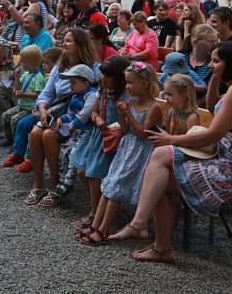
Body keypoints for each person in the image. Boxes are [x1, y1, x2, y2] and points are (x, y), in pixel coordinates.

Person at [114, 42, 232, 263]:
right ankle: (144, 229)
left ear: (231, 63)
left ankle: (152, 238)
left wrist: (171, 138)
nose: (212, 65)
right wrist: (215, 77)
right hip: (224, 156)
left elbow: (214, 133)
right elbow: (214, 108)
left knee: (160, 177)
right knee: (160, 162)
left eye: (216, 61)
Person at [81, 61, 163, 245]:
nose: (128, 87)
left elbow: (143, 133)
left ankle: (103, 230)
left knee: (117, 188)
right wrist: (122, 114)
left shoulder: (154, 107)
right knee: (109, 184)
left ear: (145, 83)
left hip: (140, 151)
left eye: (131, 83)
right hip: (127, 147)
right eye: (126, 82)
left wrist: (129, 114)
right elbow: (125, 130)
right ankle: (95, 225)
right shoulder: (132, 102)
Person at [25, 29, 99, 207]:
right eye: (64, 40)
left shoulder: (93, 68)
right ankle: (38, 183)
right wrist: (42, 109)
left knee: (48, 135)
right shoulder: (60, 66)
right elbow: (47, 93)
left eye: (68, 41)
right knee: (35, 132)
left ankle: (56, 184)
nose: (63, 44)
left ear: (80, 45)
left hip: (78, 116)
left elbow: (93, 96)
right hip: (58, 112)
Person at [69, 57, 128, 235]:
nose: (103, 78)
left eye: (108, 76)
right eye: (102, 74)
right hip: (98, 135)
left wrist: (110, 124)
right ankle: (100, 208)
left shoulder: (125, 95)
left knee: (93, 175)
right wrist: (97, 118)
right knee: (82, 172)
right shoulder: (102, 91)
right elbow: (94, 111)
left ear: (118, 78)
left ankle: (96, 214)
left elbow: (125, 124)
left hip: (114, 139)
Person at [0, 45, 47, 156]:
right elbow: (18, 86)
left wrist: (23, 94)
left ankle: (18, 145)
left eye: (24, 62)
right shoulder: (25, 74)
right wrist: (16, 78)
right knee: (5, 116)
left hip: (30, 108)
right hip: (22, 105)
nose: (22, 64)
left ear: (34, 63)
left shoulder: (38, 77)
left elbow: (38, 94)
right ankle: (10, 139)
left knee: (15, 120)